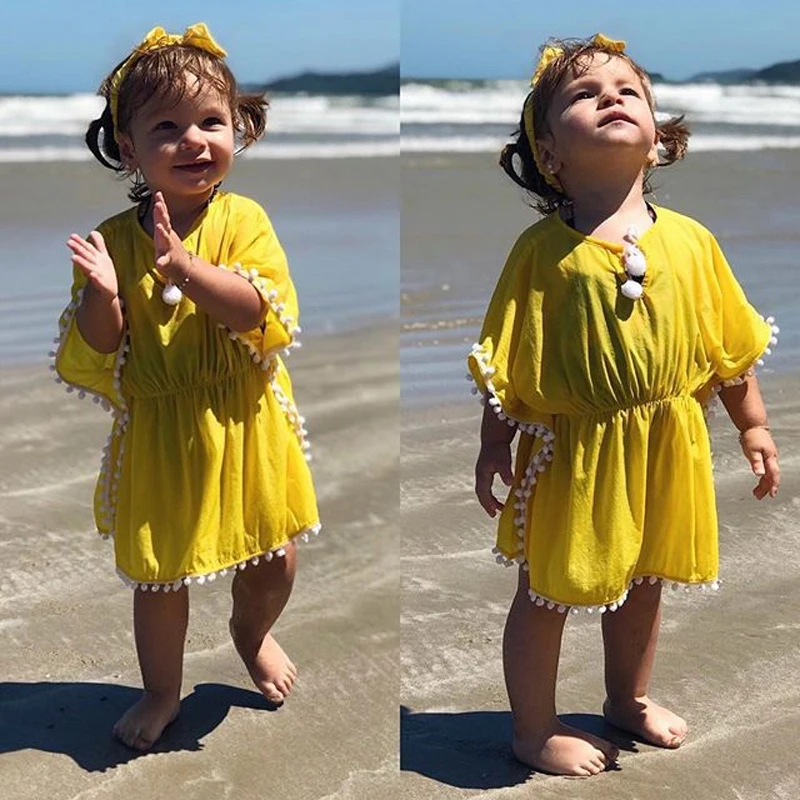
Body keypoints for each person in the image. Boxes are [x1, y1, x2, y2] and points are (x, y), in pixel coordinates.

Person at [467, 33, 780, 778]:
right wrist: (493, 445)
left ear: (658, 137)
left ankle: (626, 699)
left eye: (627, 90)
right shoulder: (541, 253)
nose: (610, 97)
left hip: (666, 442)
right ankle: (533, 729)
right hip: (573, 453)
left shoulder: (693, 243)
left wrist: (755, 425)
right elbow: (507, 362)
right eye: (584, 94)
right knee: (547, 591)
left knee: (644, 581)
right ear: (549, 153)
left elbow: (727, 350)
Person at [52, 23, 320, 751]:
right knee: (159, 576)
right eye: (166, 128)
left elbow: (258, 312)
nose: (193, 140)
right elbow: (101, 345)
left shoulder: (243, 219)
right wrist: (104, 294)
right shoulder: (113, 240)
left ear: (238, 128)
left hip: (243, 418)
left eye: (210, 122)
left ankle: (250, 632)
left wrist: (186, 270)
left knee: (275, 558)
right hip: (162, 432)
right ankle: (162, 692)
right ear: (129, 148)